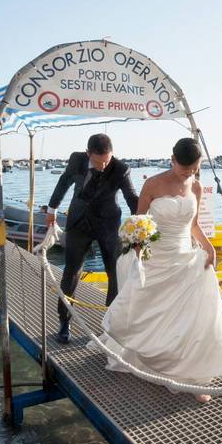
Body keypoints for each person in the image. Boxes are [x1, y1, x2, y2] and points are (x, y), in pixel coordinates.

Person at [99, 138, 222, 402]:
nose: (189, 174)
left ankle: (192, 375)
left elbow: (193, 225)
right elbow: (139, 222)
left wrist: (209, 247)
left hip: (185, 256)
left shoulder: (196, 186)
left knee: (192, 318)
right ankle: (159, 364)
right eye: (185, 170)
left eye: (194, 169)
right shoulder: (152, 184)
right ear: (172, 159)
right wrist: (139, 248)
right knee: (153, 313)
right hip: (157, 256)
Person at [46, 134, 139, 344]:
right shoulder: (76, 160)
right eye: (98, 162)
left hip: (107, 225)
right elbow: (64, 182)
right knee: (71, 273)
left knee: (113, 273)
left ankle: (110, 325)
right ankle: (64, 322)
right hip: (78, 223)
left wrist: (142, 225)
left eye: (107, 160)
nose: (103, 166)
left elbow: (132, 198)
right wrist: (52, 208)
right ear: (88, 154)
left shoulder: (121, 169)